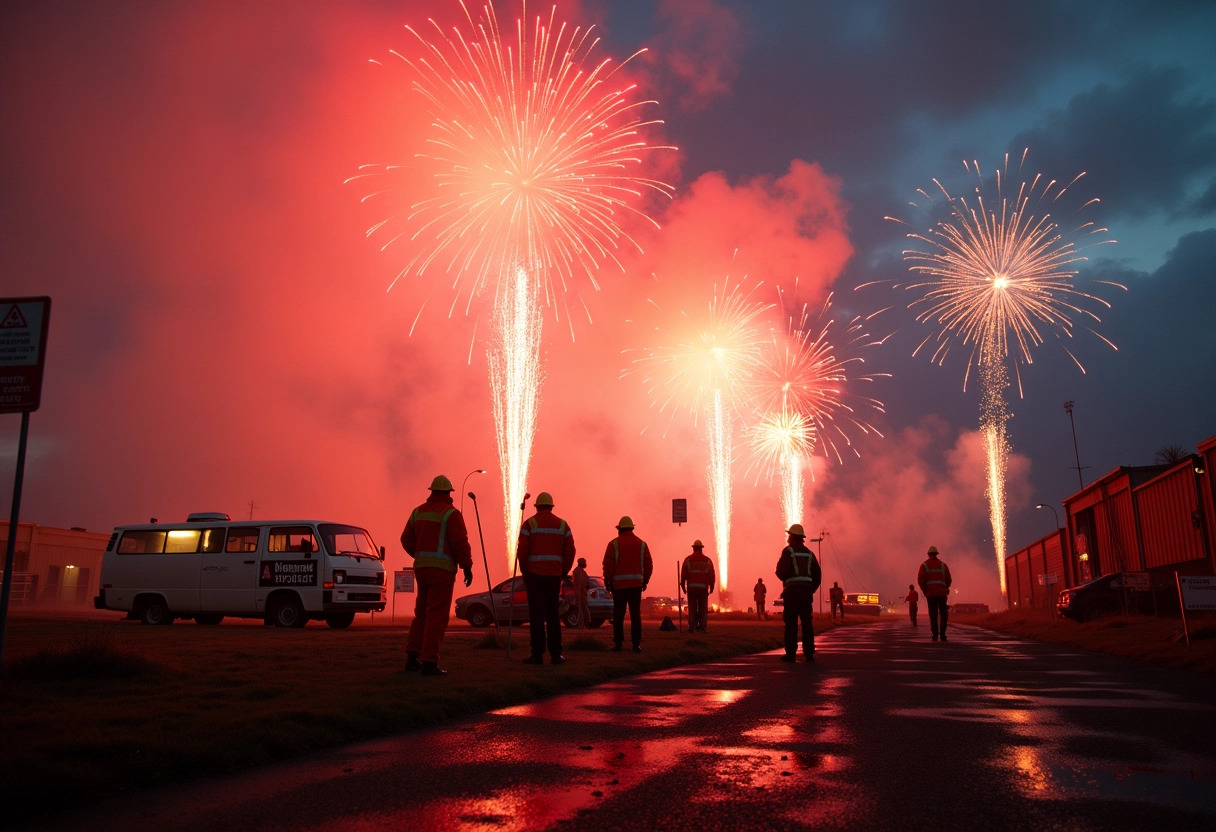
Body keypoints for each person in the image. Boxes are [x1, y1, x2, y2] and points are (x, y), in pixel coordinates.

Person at [400, 474, 474, 676]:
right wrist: (466, 566)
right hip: (442, 572)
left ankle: (412, 657)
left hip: (422, 570)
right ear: (448, 493)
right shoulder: (451, 514)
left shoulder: (418, 512)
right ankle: (430, 662)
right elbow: (460, 543)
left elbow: (405, 539)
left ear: (431, 492)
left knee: (421, 614)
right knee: (436, 617)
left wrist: (419, 554)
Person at [517, 491, 576, 664]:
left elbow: (522, 550)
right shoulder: (562, 525)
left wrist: (525, 570)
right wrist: (563, 571)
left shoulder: (529, 524)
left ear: (537, 507)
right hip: (553, 576)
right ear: (551, 507)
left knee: (536, 616)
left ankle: (537, 654)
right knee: (553, 616)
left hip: (534, 576)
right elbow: (570, 550)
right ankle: (556, 654)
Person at [602, 515, 653, 653]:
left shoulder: (614, 544)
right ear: (632, 528)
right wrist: (645, 580)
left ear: (619, 529)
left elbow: (608, 565)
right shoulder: (641, 544)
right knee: (635, 615)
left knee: (618, 616)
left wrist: (607, 580)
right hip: (636, 586)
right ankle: (636, 645)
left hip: (618, 587)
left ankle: (618, 644)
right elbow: (648, 564)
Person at [775, 523, 822, 662]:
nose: (788, 538)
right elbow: (817, 576)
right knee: (807, 623)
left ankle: (791, 654)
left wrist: (789, 579)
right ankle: (809, 653)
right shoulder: (809, 553)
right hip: (806, 593)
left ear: (792, 537)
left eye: (789, 536)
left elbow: (780, 572)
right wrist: (810, 590)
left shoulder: (788, 551)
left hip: (792, 593)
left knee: (791, 623)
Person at [917, 545, 953, 642]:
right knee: (943, 615)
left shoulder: (924, 565)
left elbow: (920, 580)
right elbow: (949, 579)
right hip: (942, 594)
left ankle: (935, 635)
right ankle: (943, 635)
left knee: (933, 615)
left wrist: (925, 591)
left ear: (928, 554)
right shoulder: (943, 565)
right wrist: (945, 588)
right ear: (936, 554)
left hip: (931, 595)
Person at [680, 539, 715, 633]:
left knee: (692, 608)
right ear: (701, 549)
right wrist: (712, 586)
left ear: (693, 548)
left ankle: (692, 627)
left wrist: (683, 586)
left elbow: (683, 574)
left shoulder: (688, 560)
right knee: (703, 608)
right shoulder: (707, 560)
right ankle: (702, 626)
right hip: (703, 588)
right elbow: (711, 574)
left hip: (691, 588)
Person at [572, 557, 591, 630]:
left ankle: (584, 624)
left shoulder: (579, 571)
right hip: (580, 593)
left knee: (583, 608)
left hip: (581, 593)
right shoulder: (579, 571)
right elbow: (580, 583)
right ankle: (582, 625)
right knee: (581, 609)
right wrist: (579, 592)